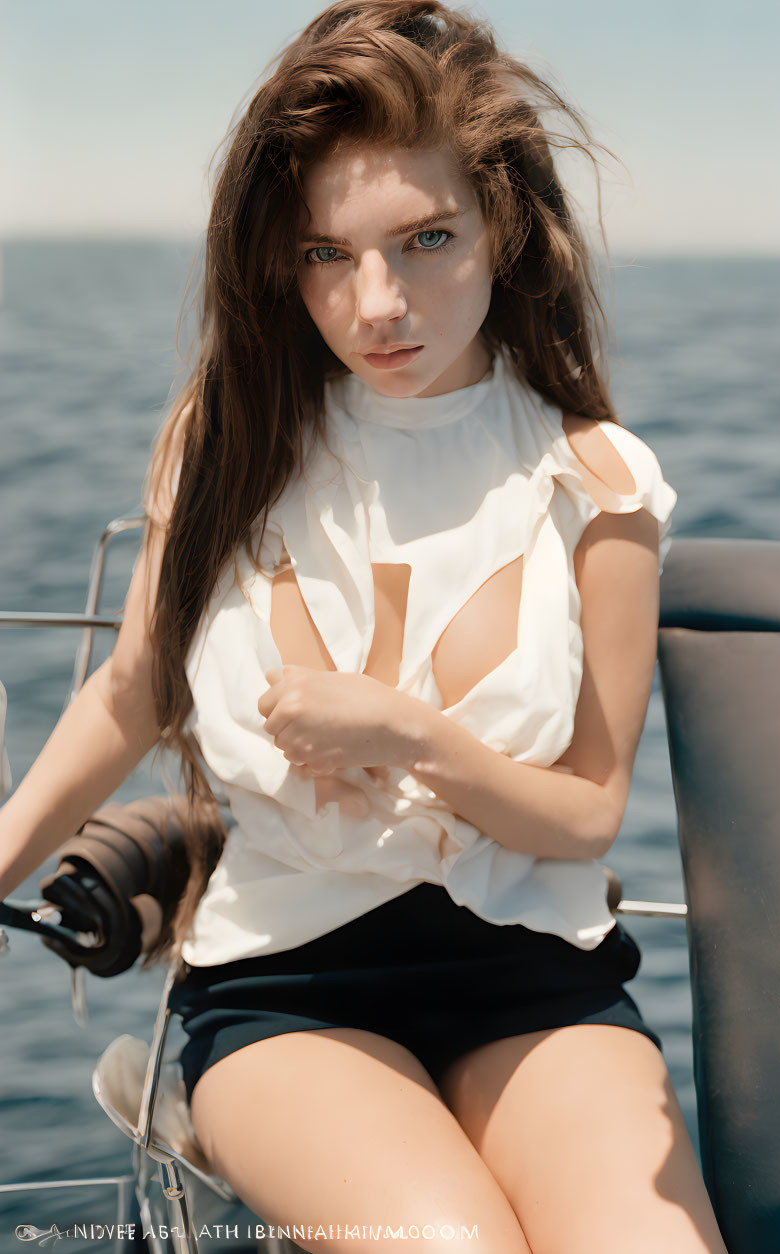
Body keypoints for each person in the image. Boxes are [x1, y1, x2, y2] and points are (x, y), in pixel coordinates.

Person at [0, 3, 730, 1251]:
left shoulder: (597, 480)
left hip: (534, 979)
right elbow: (133, 688)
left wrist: (411, 736)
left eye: (424, 239)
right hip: (288, 982)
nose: (373, 301)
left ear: (502, 224)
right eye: (325, 254)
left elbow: (588, 813)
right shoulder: (228, 442)